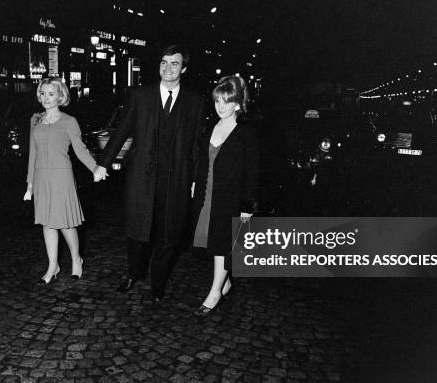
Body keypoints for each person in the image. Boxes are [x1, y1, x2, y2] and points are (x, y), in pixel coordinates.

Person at [94, 44, 205, 301]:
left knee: (169, 234)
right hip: (142, 177)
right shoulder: (141, 96)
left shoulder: (195, 103)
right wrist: (104, 163)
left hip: (176, 179)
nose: (168, 68)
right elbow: (122, 130)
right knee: (137, 230)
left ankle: (158, 282)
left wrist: (196, 180)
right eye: (164, 62)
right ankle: (134, 273)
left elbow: (197, 145)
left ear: (184, 68)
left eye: (174, 63)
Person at [191, 75, 260, 316]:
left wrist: (247, 205)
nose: (221, 106)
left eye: (227, 101)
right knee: (211, 243)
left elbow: (252, 172)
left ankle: (215, 292)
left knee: (221, 245)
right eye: (218, 100)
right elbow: (201, 161)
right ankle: (226, 282)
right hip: (207, 194)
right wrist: (194, 183)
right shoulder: (210, 128)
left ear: (238, 104)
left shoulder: (245, 133)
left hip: (229, 198)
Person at [24, 77, 101, 284]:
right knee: (47, 224)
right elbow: (33, 153)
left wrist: (95, 167)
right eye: (42, 93)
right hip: (41, 177)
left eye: (51, 94)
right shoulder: (35, 120)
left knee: (66, 222)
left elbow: (80, 149)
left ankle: (76, 259)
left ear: (60, 96)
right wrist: (30, 183)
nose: (46, 98)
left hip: (61, 177)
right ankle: (53, 266)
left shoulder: (69, 121)